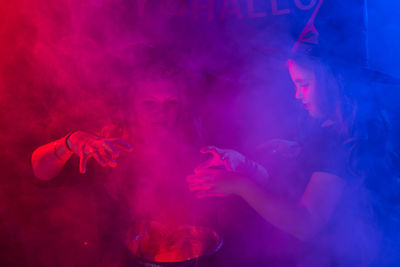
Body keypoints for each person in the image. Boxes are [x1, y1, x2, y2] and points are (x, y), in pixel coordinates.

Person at [186, 31, 395, 265]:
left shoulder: (337, 141)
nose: (297, 95)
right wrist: (246, 166)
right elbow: (294, 189)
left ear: (334, 82)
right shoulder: (331, 129)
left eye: (304, 85)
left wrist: (240, 185)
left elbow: (306, 224)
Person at [30, 52, 207, 266]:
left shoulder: (197, 152)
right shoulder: (109, 150)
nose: (161, 113)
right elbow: (40, 169)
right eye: (149, 103)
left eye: (171, 102)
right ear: (132, 106)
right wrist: (70, 142)